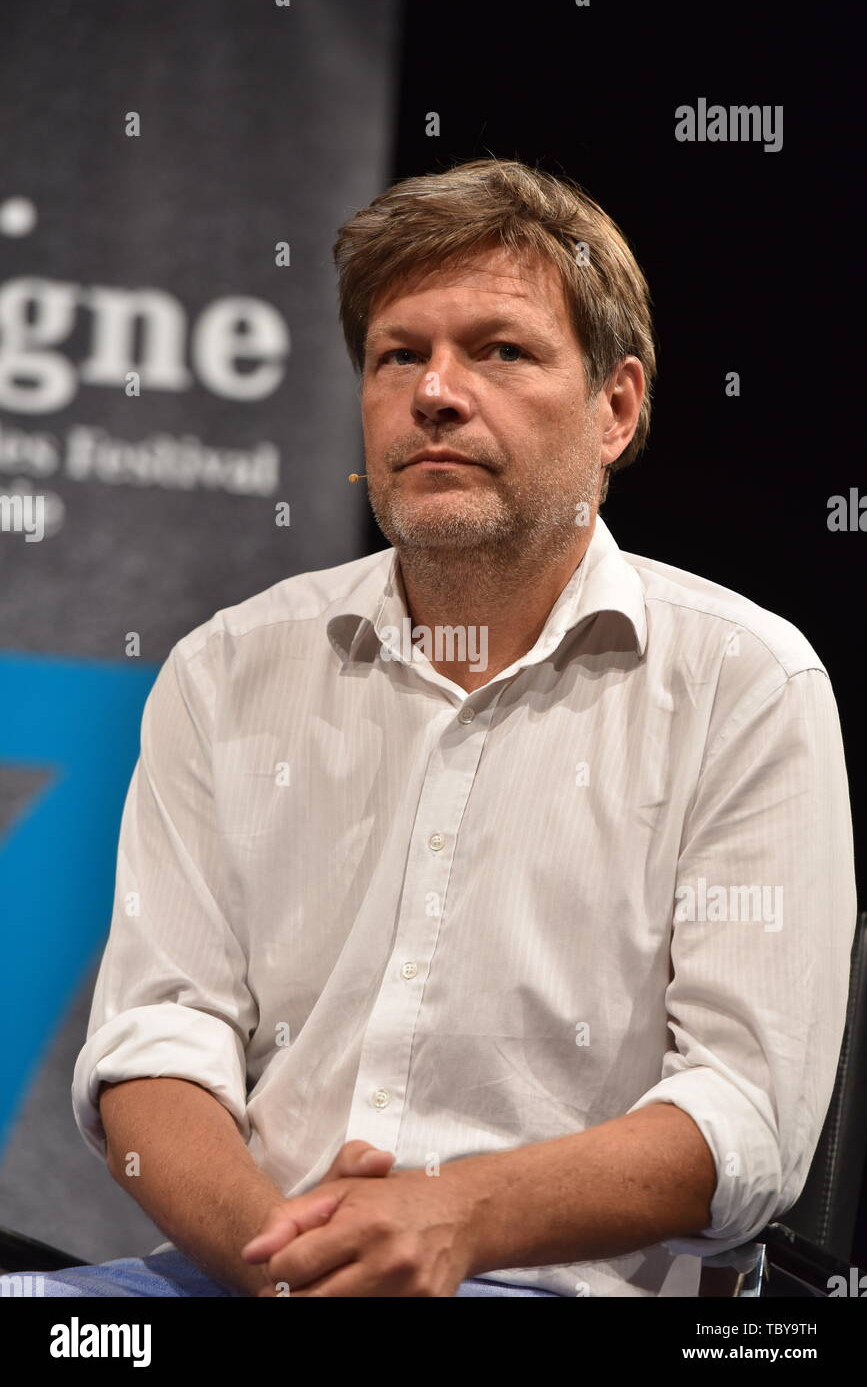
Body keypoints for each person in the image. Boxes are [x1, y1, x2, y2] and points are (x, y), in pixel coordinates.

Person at [3, 158, 855, 1298]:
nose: (436, 393)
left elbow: (748, 1116)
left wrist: (452, 1219)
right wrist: (297, 1272)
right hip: (247, 1274)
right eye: (400, 353)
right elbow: (156, 1048)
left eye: (499, 350)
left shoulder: (747, 681)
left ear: (618, 407)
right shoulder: (227, 668)